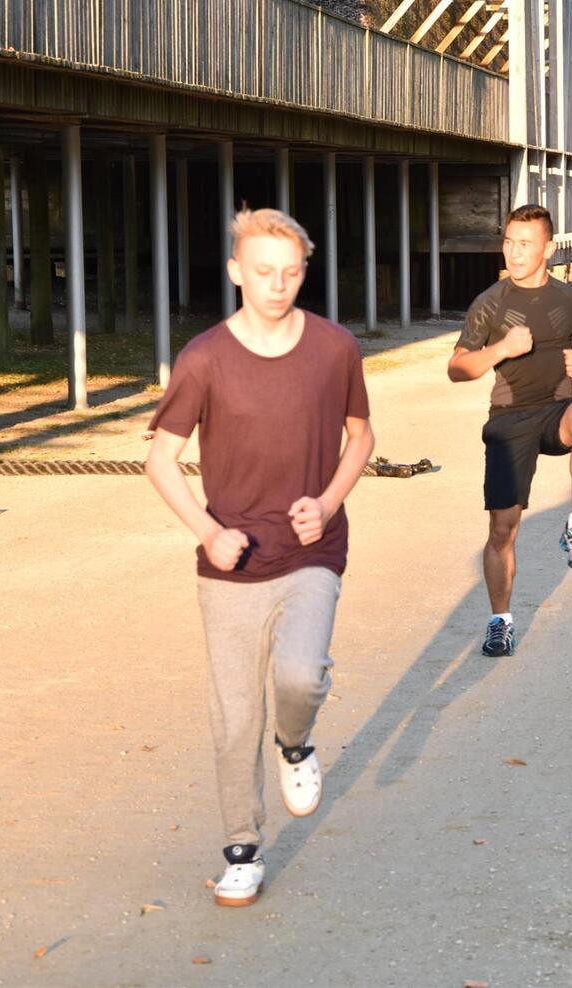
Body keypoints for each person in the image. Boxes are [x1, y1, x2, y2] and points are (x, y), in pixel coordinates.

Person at [145, 207, 375, 907]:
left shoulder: (335, 348)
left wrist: (327, 503)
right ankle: (242, 850)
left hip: (311, 550)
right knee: (234, 715)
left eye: (291, 273)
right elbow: (161, 460)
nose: (278, 285)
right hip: (231, 564)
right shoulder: (204, 358)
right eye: (264, 272)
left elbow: (361, 437)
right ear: (236, 272)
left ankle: (296, 744)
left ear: (305, 273)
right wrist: (206, 531)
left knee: (300, 677)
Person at [448, 204, 572, 657]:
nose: (514, 251)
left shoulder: (571, 300)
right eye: (509, 242)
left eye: (525, 243)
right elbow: (457, 368)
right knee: (502, 530)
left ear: (549, 248)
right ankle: (500, 621)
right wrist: (502, 348)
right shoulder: (491, 302)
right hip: (509, 418)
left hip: (557, 411)